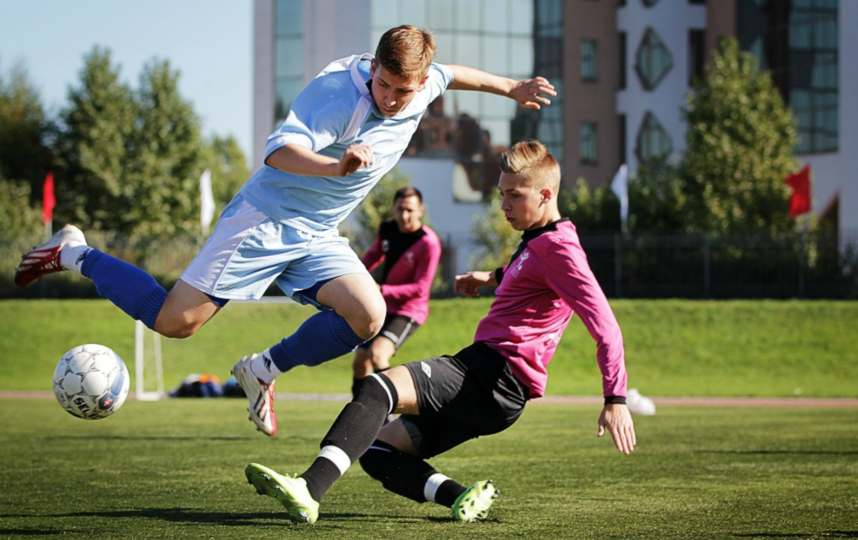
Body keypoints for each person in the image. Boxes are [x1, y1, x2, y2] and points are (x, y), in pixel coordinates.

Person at [14, 26, 556, 438]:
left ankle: (261, 368)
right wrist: (333, 165)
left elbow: (454, 73)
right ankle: (76, 252)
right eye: (384, 85)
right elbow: (276, 152)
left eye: (402, 91)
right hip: (265, 220)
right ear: (374, 68)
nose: (390, 99)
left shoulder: (424, 82)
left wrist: (511, 87)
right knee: (174, 322)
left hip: (318, 231)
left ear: (420, 81)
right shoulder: (338, 93)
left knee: (367, 316)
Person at [243, 140, 636, 524]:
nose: (504, 206)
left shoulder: (560, 248)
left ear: (546, 194)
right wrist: (490, 277)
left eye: (514, 196)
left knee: (377, 387)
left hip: (492, 373)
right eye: (501, 194)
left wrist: (615, 397)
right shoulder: (538, 240)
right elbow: (531, 273)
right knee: (378, 450)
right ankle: (461, 496)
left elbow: (605, 324)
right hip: (499, 396)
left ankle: (309, 489)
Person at [351, 186, 441, 400]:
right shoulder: (388, 229)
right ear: (393, 208)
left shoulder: (428, 243)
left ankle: (389, 413)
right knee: (359, 363)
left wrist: (382, 290)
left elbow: (421, 288)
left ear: (421, 210)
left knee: (378, 354)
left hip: (409, 310)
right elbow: (374, 254)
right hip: (383, 306)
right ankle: (360, 414)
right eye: (400, 209)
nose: (404, 215)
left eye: (410, 210)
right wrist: (355, 274)